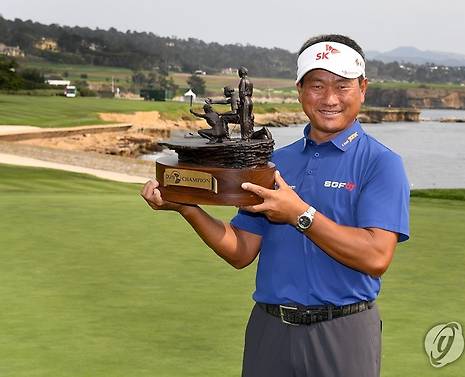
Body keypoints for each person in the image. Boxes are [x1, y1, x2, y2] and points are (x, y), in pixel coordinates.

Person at [140, 34, 410, 377]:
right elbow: (241, 251)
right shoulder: (273, 163)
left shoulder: (381, 163)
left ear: (363, 88)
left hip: (343, 330)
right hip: (271, 328)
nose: (329, 99)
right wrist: (188, 209)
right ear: (299, 90)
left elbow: (376, 257)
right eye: (317, 86)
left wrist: (299, 213)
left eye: (342, 86)